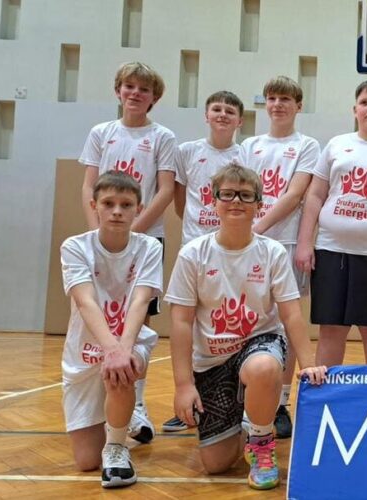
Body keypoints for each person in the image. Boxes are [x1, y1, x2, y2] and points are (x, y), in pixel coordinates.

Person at [165, 164, 327, 490]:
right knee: (217, 464)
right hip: (212, 361)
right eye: (227, 194)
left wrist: (309, 363)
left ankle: (262, 441)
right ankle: (248, 416)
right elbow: (181, 323)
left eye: (245, 195)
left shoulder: (272, 252)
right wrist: (183, 385)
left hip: (259, 343)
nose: (236, 201)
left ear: (258, 205)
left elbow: (291, 314)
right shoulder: (193, 254)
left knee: (264, 367)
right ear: (214, 202)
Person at [78, 61, 176, 444]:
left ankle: (136, 404)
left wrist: (130, 233)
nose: (135, 93)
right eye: (129, 86)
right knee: (102, 317)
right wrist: (99, 234)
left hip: (144, 241)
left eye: (143, 89)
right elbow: (89, 187)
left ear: (154, 98)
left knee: (139, 323)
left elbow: (165, 191)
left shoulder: (162, 136)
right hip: (102, 241)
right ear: (118, 90)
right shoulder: (101, 133)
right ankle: (97, 402)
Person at [295, 79, 367, 366]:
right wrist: (304, 243)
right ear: (355, 110)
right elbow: (315, 195)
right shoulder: (336, 145)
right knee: (331, 330)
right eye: (364, 103)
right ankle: (328, 394)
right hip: (330, 251)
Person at [60, 171, 163, 488]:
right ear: (94, 206)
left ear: (138, 209)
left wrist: (122, 350)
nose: (117, 211)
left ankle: (117, 447)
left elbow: (141, 301)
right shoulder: (75, 247)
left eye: (126, 204)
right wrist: (111, 348)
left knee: (122, 369)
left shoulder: (149, 247)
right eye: (108, 203)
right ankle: (122, 414)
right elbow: (86, 301)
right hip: (84, 352)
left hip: (131, 341)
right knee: (86, 461)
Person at [162, 90, 246, 433]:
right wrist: (199, 232)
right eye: (217, 109)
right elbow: (181, 202)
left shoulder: (245, 154)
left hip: (233, 250)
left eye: (230, 111)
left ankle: (236, 401)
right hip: (195, 248)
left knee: (231, 321)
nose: (222, 115)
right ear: (206, 115)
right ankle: (191, 401)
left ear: (240, 120)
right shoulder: (187, 151)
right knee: (192, 325)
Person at [242, 76, 320, 438]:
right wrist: (245, 233)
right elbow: (241, 189)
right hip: (248, 244)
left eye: (285, 99)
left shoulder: (307, 145)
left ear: (298, 106)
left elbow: (294, 195)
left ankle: (281, 402)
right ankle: (247, 396)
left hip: (285, 242)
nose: (278, 104)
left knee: (288, 322)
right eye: (272, 98)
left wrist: (257, 227)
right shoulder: (250, 145)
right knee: (248, 317)